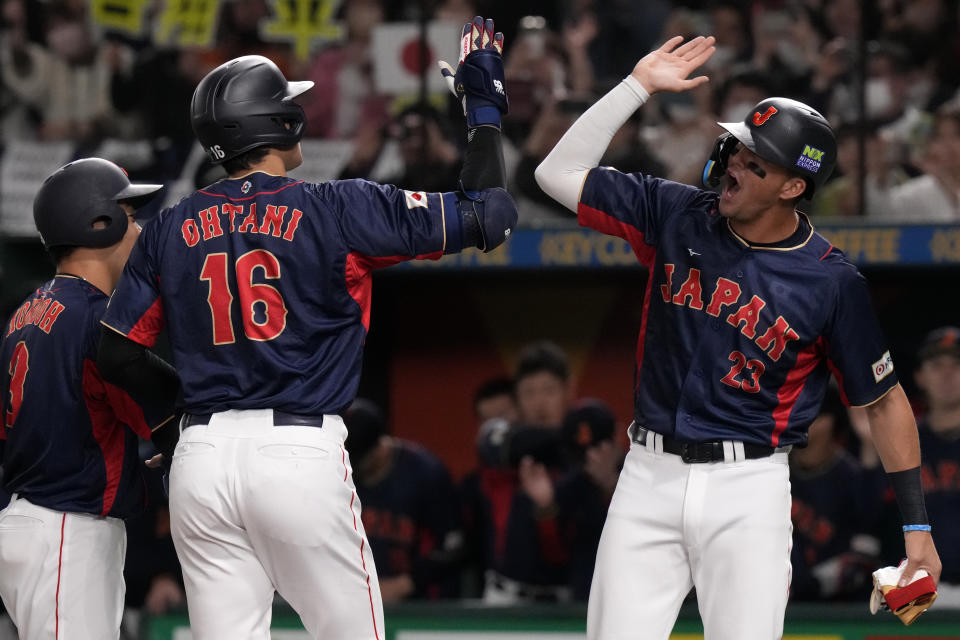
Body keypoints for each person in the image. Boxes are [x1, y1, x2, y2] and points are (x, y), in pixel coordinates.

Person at [96, 15, 516, 640]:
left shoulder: (167, 225)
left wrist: (168, 419)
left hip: (200, 459)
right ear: (276, 124)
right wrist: (483, 110)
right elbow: (491, 217)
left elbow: (113, 349)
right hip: (297, 450)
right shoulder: (336, 206)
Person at [534, 35, 941, 639]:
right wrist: (636, 86)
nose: (733, 167)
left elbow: (882, 403)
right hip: (648, 474)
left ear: (793, 187)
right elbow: (555, 172)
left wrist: (916, 530)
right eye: (737, 149)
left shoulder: (831, 281)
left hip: (749, 487)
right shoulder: (678, 215)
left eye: (757, 164)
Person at [0, 158, 177, 639]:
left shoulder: (25, 314)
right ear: (100, 223)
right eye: (130, 215)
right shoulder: (99, 321)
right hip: (66, 531)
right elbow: (171, 414)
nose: (138, 229)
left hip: (31, 521)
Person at [344, 399, 463, 601]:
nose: (349, 467)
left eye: (355, 460)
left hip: (420, 605)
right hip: (357, 597)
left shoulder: (426, 474)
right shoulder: (339, 474)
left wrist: (406, 583)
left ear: (380, 448)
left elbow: (455, 546)